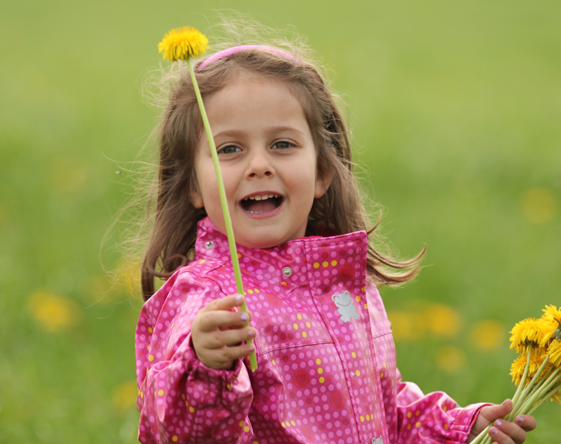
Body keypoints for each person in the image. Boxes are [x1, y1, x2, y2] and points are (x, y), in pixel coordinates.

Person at [133, 30, 537, 444]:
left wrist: (461, 430)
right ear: (194, 186)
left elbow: (384, 412)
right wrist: (204, 366)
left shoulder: (342, 282)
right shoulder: (207, 298)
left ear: (323, 172)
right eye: (229, 150)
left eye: (282, 144)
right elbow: (175, 429)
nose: (258, 165)